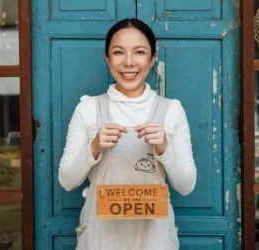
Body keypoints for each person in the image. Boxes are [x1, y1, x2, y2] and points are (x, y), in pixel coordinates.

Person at [59, 18, 197, 250]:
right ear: (108, 59)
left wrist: (165, 148)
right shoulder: (88, 108)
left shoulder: (171, 110)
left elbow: (186, 185)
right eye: (119, 52)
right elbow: (66, 181)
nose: (129, 62)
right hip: (99, 240)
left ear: (152, 59)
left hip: (155, 240)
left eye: (140, 52)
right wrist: (93, 148)